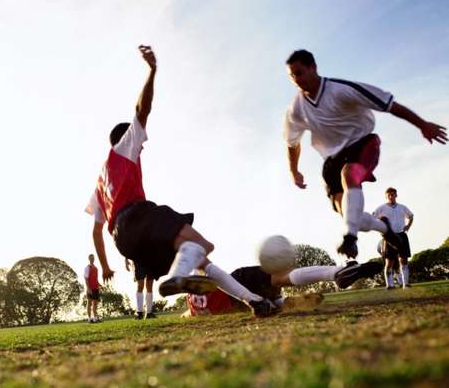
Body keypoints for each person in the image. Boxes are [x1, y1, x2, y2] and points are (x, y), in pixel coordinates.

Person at [85, 45, 276, 317]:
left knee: (201, 260)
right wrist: (152, 72)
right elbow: (142, 109)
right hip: (136, 217)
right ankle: (176, 278)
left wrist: (107, 264)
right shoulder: (125, 146)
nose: (141, 147)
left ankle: (254, 302)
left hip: (124, 240)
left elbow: (96, 232)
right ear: (126, 138)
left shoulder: (99, 184)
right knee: (202, 244)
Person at [283, 50, 446, 260]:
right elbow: (292, 142)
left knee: (349, 174)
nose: (296, 79)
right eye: (292, 76)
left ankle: (350, 237)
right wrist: (293, 170)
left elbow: (389, 105)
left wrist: (422, 124)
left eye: (299, 72)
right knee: (353, 217)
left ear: (313, 68)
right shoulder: (296, 109)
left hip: (362, 144)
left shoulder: (341, 90)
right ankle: (384, 229)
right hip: (331, 161)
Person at [182, 260, 382, 317]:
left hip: (238, 304)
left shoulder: (195, 309)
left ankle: (290, 302)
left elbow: (188, 313)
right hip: (234, 283)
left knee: (270, 303)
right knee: (281, 277)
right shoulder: (190, 287)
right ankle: (336, 272)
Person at [373, 188, 414, 288]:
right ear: (386, 197)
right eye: (389, 195)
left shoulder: (402, 207)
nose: (391, 196)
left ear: (396, 195)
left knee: (403, 260)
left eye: (393, 194)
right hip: (389, 237)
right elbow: (372, 218)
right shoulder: (381, 208)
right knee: (389, 261)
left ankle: (406, 284)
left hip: (401, 235)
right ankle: (389, 285)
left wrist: (408, 226)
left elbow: (411, 216)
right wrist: (381, 229)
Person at [84, 254, 101, 323]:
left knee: (95, 304)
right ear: (89, 259)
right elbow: (86, 278)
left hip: (96, 288)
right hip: (90, 288)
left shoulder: (96, 268)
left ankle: (95, 318)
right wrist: (88, 288)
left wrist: (99, 284)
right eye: (91, 258)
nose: (92, 259)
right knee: (89, 303)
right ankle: (89, 318)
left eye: (93, 258)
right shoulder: (87, 267)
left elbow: (96, 278)